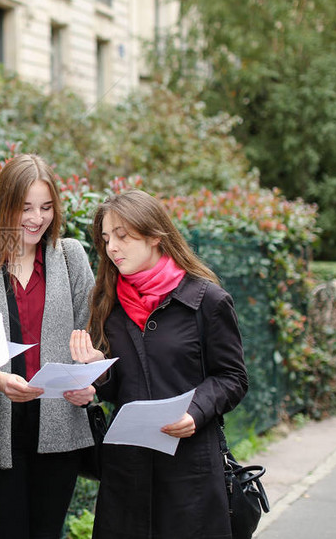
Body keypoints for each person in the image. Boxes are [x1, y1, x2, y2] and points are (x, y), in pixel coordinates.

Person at [70, 188, 250, 539]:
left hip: (190, 469)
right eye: (106, 239)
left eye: (122, 236)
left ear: (155, 236)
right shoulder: (108, 302)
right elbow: (118, 386)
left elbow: (232, 377)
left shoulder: (207, 300)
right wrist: (97, 372)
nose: (112, 248)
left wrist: (194, 412)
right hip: (126, 472)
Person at [0, 153, 96, 539]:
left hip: (59, 431)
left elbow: (93, 336)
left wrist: (91, 380)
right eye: (25, 207)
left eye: (46, 207)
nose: (36, 218)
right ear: (4, 205)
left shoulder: (72, 257)